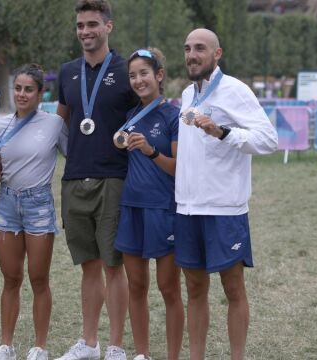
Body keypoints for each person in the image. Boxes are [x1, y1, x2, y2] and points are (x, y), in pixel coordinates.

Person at [175, 29, 277, 360]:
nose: (192, 55)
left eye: (200, 49)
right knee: (194, 290)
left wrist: (223, 132)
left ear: (217, 54)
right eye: (188, 49)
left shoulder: (235, 90)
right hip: (187, 209)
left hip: (224, 209)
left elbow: (268, 139)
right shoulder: (188, 94)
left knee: (232, 289)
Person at [55, 1, 137, 359]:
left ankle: (116, 346)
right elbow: (59, 124)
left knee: (113, 265)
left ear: (109, 27)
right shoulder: (67, 72)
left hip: (114, 177)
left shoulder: (127, 70)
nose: (85, 31)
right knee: (88, 265)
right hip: (74, 178)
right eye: (80, 25)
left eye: (92, 24)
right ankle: (89, 343)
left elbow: (144, 118)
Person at [0, 64, 68, 360]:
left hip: (39, 204)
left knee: (38, 278)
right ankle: (6, 345)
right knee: (10, 278)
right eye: (18, 88)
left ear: (41, 93)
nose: (22, 94)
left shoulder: (54, 123)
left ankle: (40, 346)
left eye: (29, 89)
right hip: (7, 204)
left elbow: (74, 155)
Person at [113, 48, 184, 360]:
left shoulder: (173, 116)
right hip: (131, 208)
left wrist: (151, 152)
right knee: (137, 286)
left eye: (144, 73)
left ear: (159, 75)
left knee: (168, 289)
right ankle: (142, 354)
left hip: (163, 210)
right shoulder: (130, 117)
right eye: (133, 75)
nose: (138, 80)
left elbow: (179, 168)